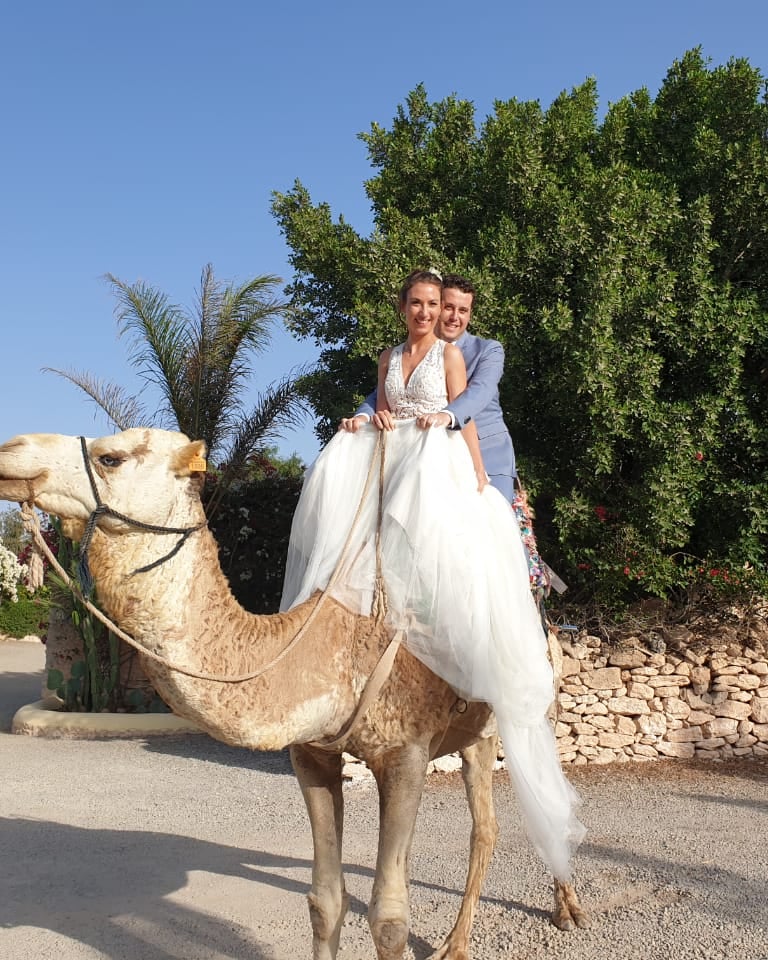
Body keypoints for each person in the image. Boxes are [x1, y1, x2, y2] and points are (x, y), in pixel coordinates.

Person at [281, 270, 584, 882]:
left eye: (455, 308)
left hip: (474, 450)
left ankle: (516, 633)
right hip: (407, 449)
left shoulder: (476, 352)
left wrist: (458, 444)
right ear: (415, 306)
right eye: (436, 305)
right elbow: (382, 400)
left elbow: (472, 405)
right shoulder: (398, 352)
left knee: (494, 540)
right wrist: (363, 417)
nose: (447, 315)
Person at [343, 274, 517, 502]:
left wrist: (447, 415)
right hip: (425, 459)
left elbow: (479, 392)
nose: (455, 317)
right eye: (449, 307)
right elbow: (381, 394)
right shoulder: (400, 355)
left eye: (463, 310)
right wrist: (363, 416)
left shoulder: (488, 350)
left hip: (488, 454)